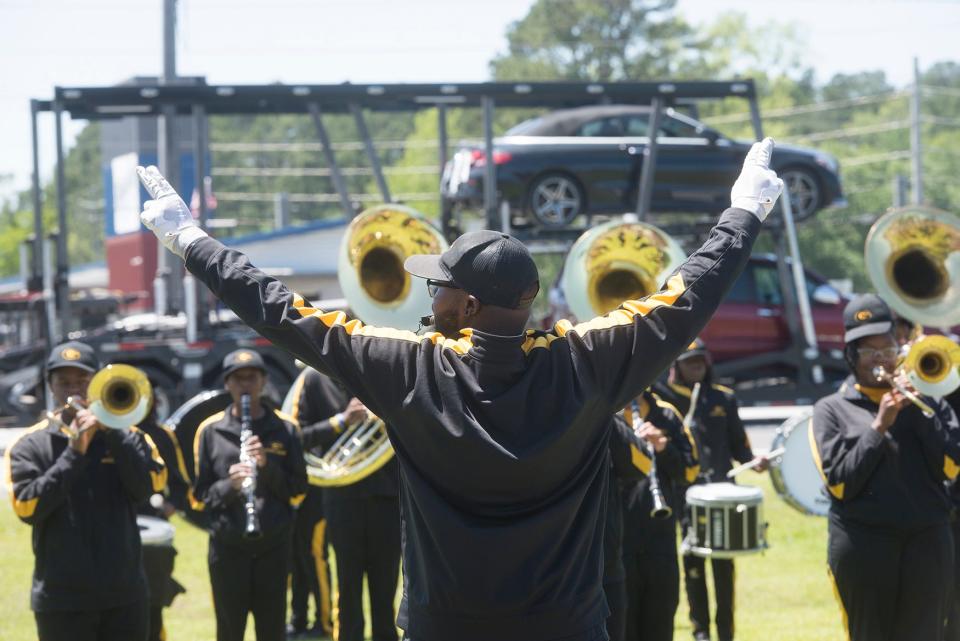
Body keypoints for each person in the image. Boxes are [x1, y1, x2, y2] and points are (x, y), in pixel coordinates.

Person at [137, 138, 782, 641]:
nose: (430, 293)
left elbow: (284, 312)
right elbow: (688, 294)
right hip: (564, 625)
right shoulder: (588, 362)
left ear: (469, 305)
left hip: (445, 624)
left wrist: (191, 241)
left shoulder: (410, 368)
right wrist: (744, 212)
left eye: (439, 285)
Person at [811, 294, 960, 641]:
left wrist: (919, 408)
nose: (880, 359)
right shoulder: (830, 410)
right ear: (851, 356)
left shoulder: (928, 401)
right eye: (869, 352)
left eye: (888, 349)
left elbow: (951, 467)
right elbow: (841, 485)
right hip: (864, 544)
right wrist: (878, 426)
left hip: (927, 540)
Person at [4, 341, 167, 641]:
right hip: (62, 600)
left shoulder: (129, 435)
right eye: (63, 382)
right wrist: (74, 454)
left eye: (82, 380)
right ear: (50, 387)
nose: (73, 390)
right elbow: (28, 508)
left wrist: (114, 433)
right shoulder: (29, 445)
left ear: (97, 383)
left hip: (125, 596)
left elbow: (147, 489)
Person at [191, 349, 309, 641]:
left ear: (263, 381)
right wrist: (230, 486)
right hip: (228, 549)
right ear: (227, 384)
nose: (245, 385)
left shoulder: (286, 428)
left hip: (274, 546)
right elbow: (200, 496)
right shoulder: (210, 431)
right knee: (230, 630)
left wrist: (266, 468)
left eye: (252, 378)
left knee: (272, 630)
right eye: (238, 379)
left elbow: (299, 490)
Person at [655, 338, 767, 641]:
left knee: (723, 565)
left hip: (722, 493)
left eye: (701, 362)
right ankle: (700, 630)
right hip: (685, 494)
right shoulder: (662, 398)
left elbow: (739, 446)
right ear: (677, 365)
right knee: (692, 564)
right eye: (690, 362)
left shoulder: (723, 399)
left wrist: (754, 461)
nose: (697, 367)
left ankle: (726, 631)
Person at [287, 366, 401, 641]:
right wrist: (341, 421)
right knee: (348, 587)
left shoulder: (381, 370)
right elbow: (295, 438)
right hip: (342, 497)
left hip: (387, 495)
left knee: (386, 589)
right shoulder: (313, 379)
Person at [618, 390, 698, 641]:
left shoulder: (666, 414)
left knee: (660, 623)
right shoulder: (603, 412)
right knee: (621, 626)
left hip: (659, 541)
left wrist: (663, 447)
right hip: (616, 543)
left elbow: (690, 472)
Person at [134, 395, 190, 641]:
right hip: (110, 529)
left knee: (152, 608)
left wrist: (171, 505)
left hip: (151, 532)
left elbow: (180, 484)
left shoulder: (161, 435)